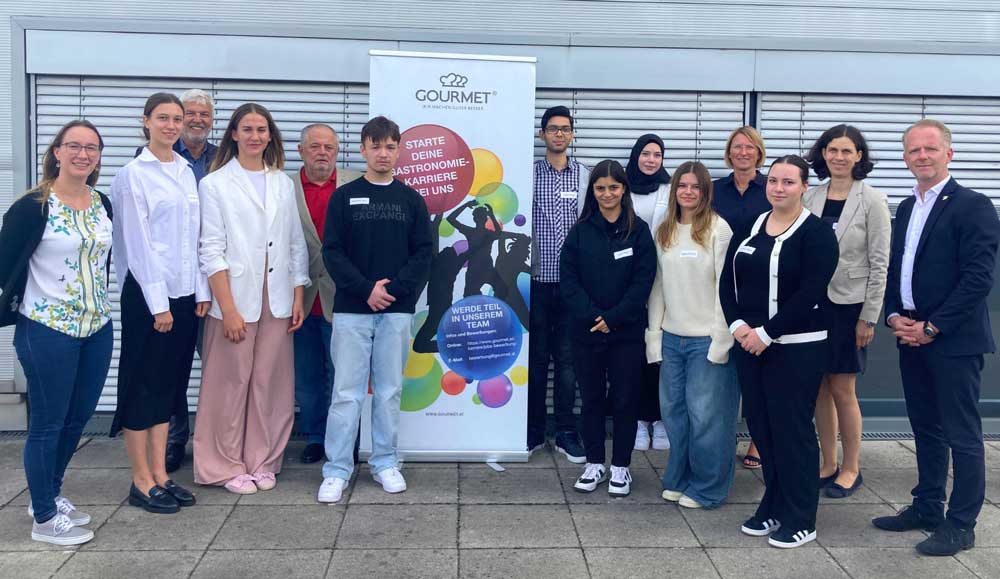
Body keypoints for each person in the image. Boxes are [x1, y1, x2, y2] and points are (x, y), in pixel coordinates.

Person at [872, 119, 1000, 556]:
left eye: (929, 149)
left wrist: (932, 326)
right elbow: (896, 270)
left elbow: (977, 278)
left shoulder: (974, 205)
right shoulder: (906, 208)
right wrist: (893, 316)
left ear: (949, 153)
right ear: (905, 158)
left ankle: (961, 525)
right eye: (912, 150)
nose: (920, 156)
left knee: (962, 434)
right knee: (925, 427)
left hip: (952, 340)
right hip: (909, 333)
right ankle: (927, 506)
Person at [0, 120, 112, 545]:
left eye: (92, 148)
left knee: (77, 418)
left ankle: (48, 493)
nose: (83, 154)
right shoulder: (33, 205)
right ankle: (44, 519)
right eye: (74, 146)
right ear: (58, 152)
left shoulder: (102, 202)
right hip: (47, 328)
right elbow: (4, 263)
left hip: (97, 326)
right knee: (48, 422)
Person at [720, 155, 838, 548]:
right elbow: (727, 280)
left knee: (793, 432)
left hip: (795, 349)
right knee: (763, 429)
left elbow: (810, 293)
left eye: (788, 182)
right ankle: (773, 504)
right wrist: (737, 326)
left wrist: (767, 333)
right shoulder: (752, 225)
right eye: (773, 181)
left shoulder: (817, 233)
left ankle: (802, 516)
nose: (778, 188)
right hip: (750, 347)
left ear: (805, 186)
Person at [193, 103, 309, 494]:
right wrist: (228, 309)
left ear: (270, 137)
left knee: (270, 384)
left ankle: (263, 459)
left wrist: (298, 295)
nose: (255, 136)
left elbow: (295, 243)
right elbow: (211, 249)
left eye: (262, 129)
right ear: (233, 134)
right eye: (248, 129)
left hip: (276, 296)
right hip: (236, 297)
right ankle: (222, 464)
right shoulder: (214, 184)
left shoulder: (282, 183)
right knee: (228, 384)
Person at [317, 116, 433, 503]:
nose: (383, 153)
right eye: (375, 146)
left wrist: (393, 290)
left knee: (387, 392)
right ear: (363, 149)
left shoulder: (410, 199)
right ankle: (337, 470)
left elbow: (423, 253)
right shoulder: (344, 197)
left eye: (390, 146)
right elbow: (331, 251)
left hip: (396, 311)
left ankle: (385, 462)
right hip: (352, 310)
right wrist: (366, 289)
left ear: (399, 151)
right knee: (346, 393)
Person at [110, 93, 208, 513]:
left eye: (177, 119)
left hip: (185, 296)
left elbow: (195, 239)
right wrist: (159, 305)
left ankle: (161, 475)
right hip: (150, 297)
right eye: (163, 118)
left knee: (169, 387)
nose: (171, 125)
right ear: (145, 121)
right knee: (142, 387)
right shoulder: (134, 174)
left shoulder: (186, 171)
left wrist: (200, 292)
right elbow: (138, 244)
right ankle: (140, 479)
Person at [803, 125, 891, 498]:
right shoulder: (811, 197)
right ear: (823, 154)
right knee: (820, 387)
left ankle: (852, 467)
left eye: (846, 151)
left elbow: (879, 262)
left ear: (859, 156)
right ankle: (828, 463)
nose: (838, 157)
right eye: (832, 150)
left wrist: (868, 316)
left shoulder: (872, 200)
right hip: (814, 306)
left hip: (850, 306)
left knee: (843, 388)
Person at [561, 160, 655, 497]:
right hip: (586, 332)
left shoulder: (639, 231)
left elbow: (643, 281)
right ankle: (594, 462)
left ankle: (620, 467)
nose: (607, 194)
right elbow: (568, 280)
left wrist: (613, 317)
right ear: (593, 192)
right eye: (600, 188)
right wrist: (592, 317)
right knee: (590, 400)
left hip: (626, 332)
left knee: (627, 399)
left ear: (624, 189)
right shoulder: (580, 230)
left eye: (613, 187)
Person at [647, 161, 737, 509]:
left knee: (707, 417)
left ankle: (709, 487)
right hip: (672, 338)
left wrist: (720, 339)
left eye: (695, 187)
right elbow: (658, 287)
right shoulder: (665, 230)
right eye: (682, 186)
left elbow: (724, 290)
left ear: (705, 192)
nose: (687, 192)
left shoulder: (718, 229)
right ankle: (680, 477)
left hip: (705, 340)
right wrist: (654, 335)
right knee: (674, 413)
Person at [291, 123, 360, 464]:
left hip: (344, 297)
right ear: (301, 151)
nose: (322, 153)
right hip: (298, 299)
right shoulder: (282, 186)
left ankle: (344, 439)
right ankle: (316, 436)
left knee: (342, 375)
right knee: (307, 375)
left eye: (328, 147)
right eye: (314, 146)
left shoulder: (357, 183)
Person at [528, 105, 590, 462]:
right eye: (553, 129)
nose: (559, 134)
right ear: (542, 135)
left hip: (571, 286)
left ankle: (567, 430)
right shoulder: (528, 173)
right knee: (536, 360)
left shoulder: (584, 176)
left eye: (565, 129)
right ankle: (534, 429)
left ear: (572, 135)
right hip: (534, 282)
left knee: (568, 361)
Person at [712, 125, 770, 470]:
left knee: (759, 365)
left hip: (761, 284)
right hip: (720, 280)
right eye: (737, 147)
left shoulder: (771, 188)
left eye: (750, 147)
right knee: (724, 363)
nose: (743, 152)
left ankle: (758, 441)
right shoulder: (716, 190)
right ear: (729, 152)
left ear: (759, 153)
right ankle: (721, 436)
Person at [625, 133, 672, 452]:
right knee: (634, 357)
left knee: (662, 356)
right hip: (627, 283)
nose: (651, 159)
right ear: (636, 156)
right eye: (646, 153)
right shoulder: (622, 187)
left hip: (666, 283)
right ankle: (640, 420)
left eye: (657, 154)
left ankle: (661, 419)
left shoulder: (671, 189)